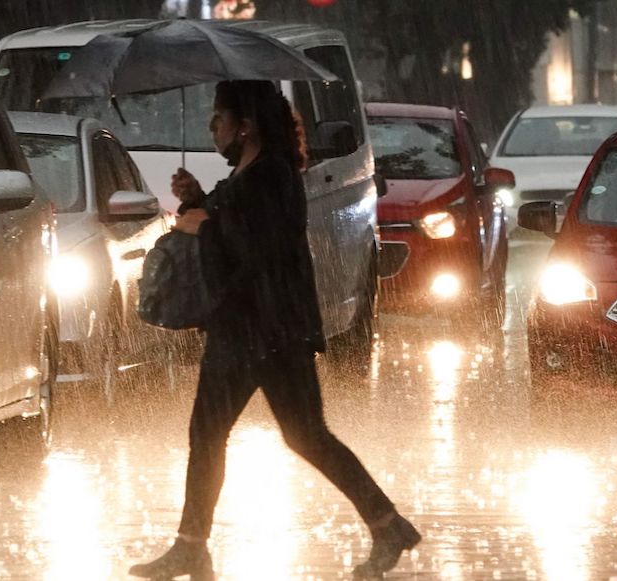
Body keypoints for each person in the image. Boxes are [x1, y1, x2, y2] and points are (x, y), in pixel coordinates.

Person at [129, 80, 420, 580]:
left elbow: (260, 246)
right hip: (257, 326)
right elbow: (231, 226)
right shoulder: (250, 173)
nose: (212, 128)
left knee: (238, 433)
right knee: (292, 435)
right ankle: (386, 524)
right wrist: (198, 199)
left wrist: (207, 226)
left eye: (218, 118)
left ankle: (192, 547)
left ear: (246, 124)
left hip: (261, 327)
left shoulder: (274, 175)